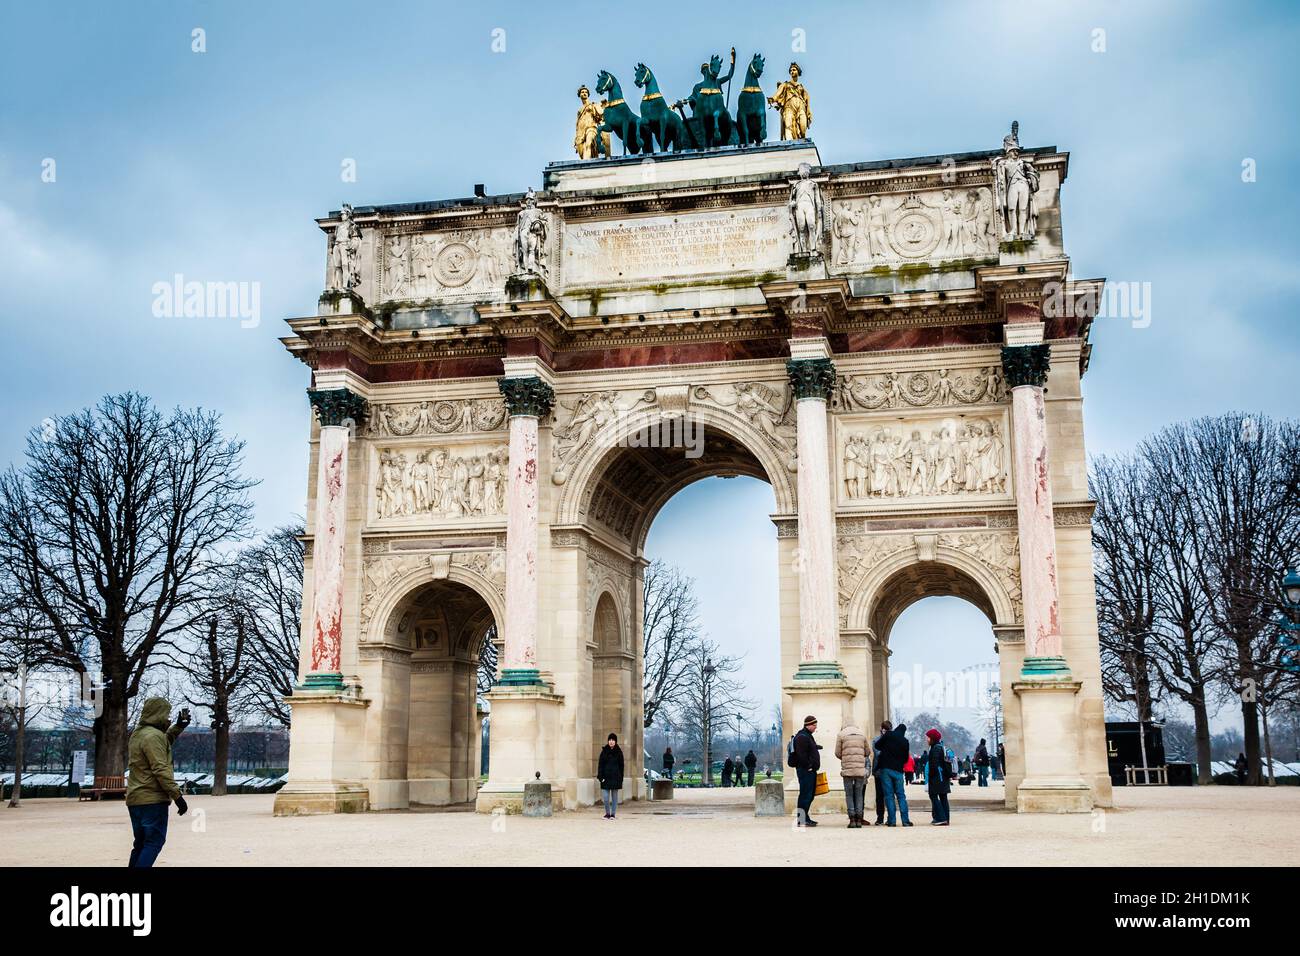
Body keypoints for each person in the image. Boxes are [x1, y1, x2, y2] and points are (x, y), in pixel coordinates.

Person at [125, 698, 190, 867]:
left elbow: (161, 743)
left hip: (135, 798)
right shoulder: (154, 736)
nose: (168, 718)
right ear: (158, 714)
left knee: (140, 844)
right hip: (152, 799)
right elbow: (160, 769)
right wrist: (178, 797)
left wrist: (178, 727)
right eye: (167, 714)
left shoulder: (138, 734)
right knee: (154, 842)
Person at [873, 721, 912, 827]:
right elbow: (906, 758)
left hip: (886, 769)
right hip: (898, 770)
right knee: (901, 796)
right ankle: (905, 820)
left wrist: (885, 750)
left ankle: (892, 821)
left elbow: (877, 745)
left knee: (889, 796)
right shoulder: (905, 741)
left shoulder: (889, 735)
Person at [835, 717, 871, 828]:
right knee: (859, 794)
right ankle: (859, 819)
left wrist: (845, 758)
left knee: (849, 794)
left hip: (847, 769)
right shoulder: (862, 734)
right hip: (860, 769)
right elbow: (867, 752)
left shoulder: (841, 735)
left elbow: (837, 753)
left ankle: (852, 820)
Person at [793, 715, 822, 826]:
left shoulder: (806, 736)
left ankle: (805, 817)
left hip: (809, 770)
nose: (815, 727)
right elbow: (801, 755)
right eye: (814, 725)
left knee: (809, 794)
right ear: (808, 725)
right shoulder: (802, 737)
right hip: (806, 770)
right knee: (805, 794)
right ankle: (801, 819)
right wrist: (809, 766)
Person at [924, 728, 952, 826]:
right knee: (943, 797)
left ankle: (941, 818)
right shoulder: (941, 747)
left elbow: (934, 765)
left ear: (932, 738)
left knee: (933, 796)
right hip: (943, 777)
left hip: (937, 778)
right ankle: (945, 818)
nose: (927, 739)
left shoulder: (935, 748)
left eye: (928, 737)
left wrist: (930, 777)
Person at [597, 733, 624, 819]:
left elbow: (621, 766)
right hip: (605, 778)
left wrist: (621, 777)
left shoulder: (619, 752)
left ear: (615, 741)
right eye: (610, 740)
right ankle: (607, 813)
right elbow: (600, 765)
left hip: (616, 777)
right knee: (605, 797)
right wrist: (600, 777)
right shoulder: (604, 751)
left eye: (613, 740)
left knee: (614, 797)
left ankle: (613, 814)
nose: (611, 742)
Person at [871, 721, 890, 826]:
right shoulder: (877, 740)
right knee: (880, 796)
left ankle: (887, 817)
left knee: (886, 795)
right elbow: (878, 754)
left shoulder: (877, 740)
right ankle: (880, 817)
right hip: (880, 771)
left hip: (883, 769)